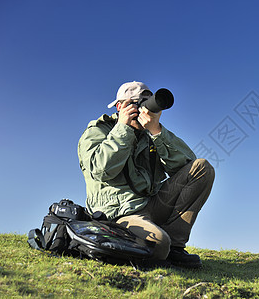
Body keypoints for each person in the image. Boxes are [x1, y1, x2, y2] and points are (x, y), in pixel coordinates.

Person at [77, 81, 215, 268]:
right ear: (120, 106)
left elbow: (186, 164)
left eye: (146, 103)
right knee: (158, 245)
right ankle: (161, 246)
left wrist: (157, 131)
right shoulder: (98, 130)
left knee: (202, 168)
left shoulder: (150, 132)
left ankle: (175, 247)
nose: (143, 109)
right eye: (136, 103)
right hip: (117, 215)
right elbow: (101, 171)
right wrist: (123, 129)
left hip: (151, 204)